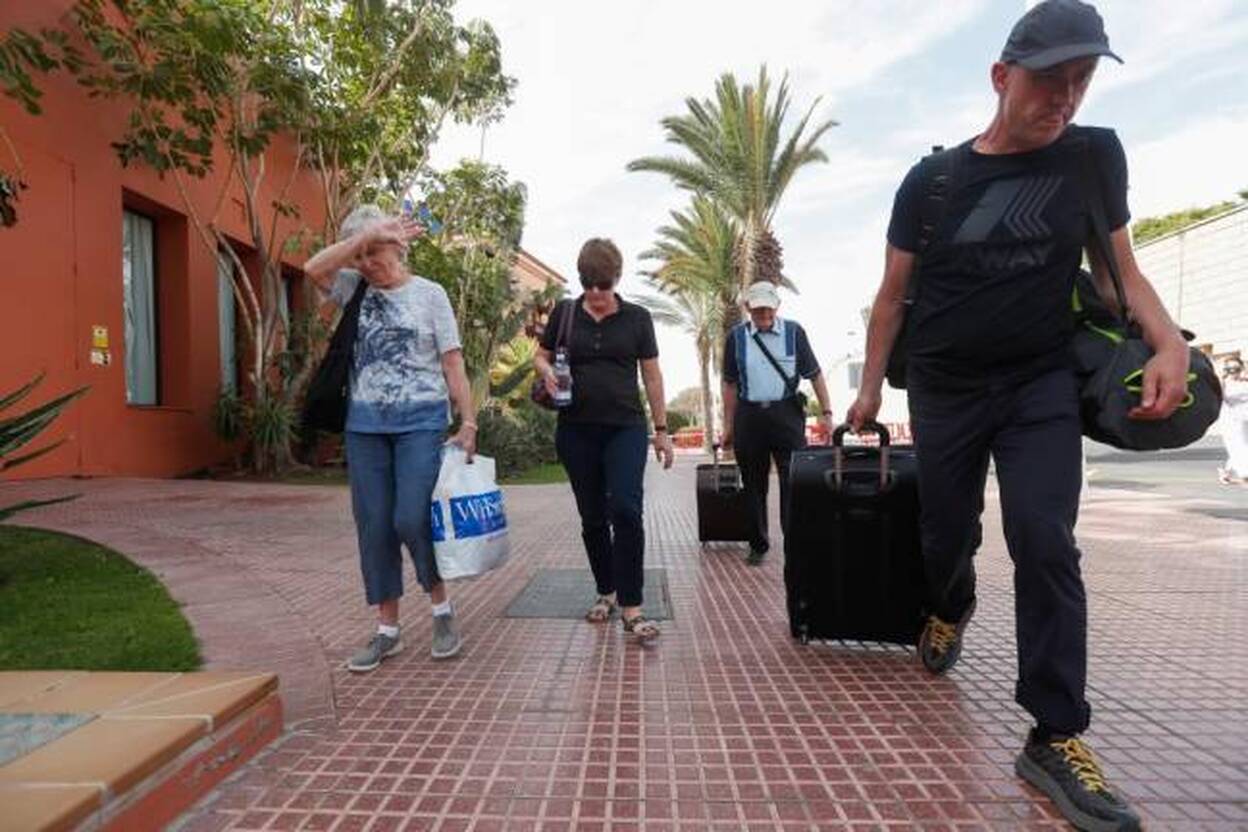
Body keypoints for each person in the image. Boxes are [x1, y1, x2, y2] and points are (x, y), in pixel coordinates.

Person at [847, 2, 1190, 829]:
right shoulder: (930, 184)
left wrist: (1168, 339)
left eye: (1080, 80)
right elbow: (892, 298)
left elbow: (1117, 275)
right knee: (944, 534)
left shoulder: (1092, 157)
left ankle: (1054, 732)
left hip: (1039, 383)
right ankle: (949, 601)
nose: (1065, 97)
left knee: (1044, 538)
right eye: (1049, 80)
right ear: (1002, 77)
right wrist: (865, 394)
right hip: (944, 387)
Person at [304, 204, 477, 672]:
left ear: (398, 248)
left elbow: (453, 363)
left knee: (411, 517)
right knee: (374, 524)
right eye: (360, 257)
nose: (366, 265)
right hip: (364, 426)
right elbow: (312, 268)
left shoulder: (431, 295)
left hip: (421, 421)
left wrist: (468, 422)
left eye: (374, 254)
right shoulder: (353, 287)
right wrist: (362, 240)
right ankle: (387, 630)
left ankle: (441, 611)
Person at [534, 238, 674, 640]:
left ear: (616, 279)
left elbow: (652, 375)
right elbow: (540, 354)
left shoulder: (637, 318)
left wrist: (661, 431)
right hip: (576, 430)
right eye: (589, 285)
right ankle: (606, 591)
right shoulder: (564, 313)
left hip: (625, 428)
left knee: (627, 510)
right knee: (593, 516)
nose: (596, 295)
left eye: (604, 286)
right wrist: (546, 370)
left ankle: (632, 607)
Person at [720, 281, 833, 566]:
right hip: (749, 416)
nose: (764, 314)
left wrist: (828, 414)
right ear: (748, 308)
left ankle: (794, 544)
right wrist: (729, 426)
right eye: (757, 309)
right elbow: (730, 384)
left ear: (777, 305)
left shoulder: (794, 333)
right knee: (754, 485)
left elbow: (815, 374)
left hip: (786, 415)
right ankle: (758, 544)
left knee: (793, 482)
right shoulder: (736, 337)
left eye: (768, 307)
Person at [1217, 356, 1248, 484]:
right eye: (1230, 369)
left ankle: (1226, 471)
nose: (1233, 372)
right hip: (1231, 421)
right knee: (1240, 446)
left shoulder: (1245, 383)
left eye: (1236, 369)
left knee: (1240, 448)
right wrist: (1221, 378)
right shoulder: (1223, 384)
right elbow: (1220, 397)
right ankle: (1245, 473)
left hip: (1246, 418)